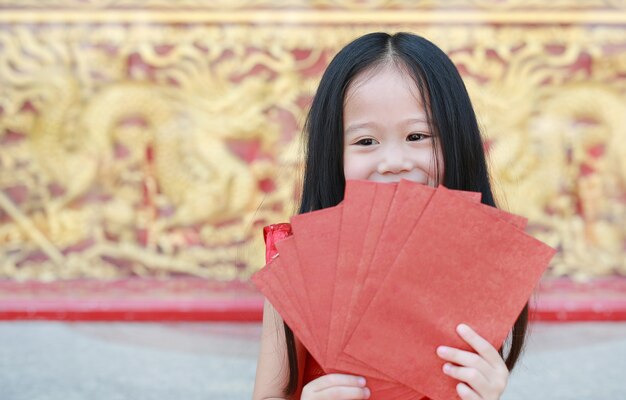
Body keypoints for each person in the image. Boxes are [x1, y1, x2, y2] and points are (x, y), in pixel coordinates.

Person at [253, 31, 523, 400]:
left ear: (456, 140)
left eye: (418, 136)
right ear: (332, 152)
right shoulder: (297, 261)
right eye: (366, 141)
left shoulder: (482, 263)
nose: (394, 162)